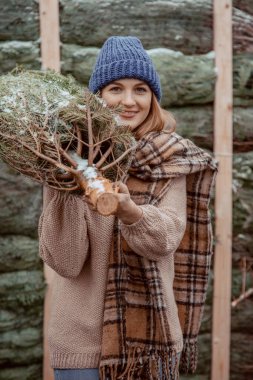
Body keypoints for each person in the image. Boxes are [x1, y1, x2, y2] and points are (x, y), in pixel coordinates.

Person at [39, 36, 217, 380]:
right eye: (115, 88)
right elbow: (65, 261)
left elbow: (164, 241)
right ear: (98, 97)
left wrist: (129, 212)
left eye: (141, 90)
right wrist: (69, 183)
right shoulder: (66, 158)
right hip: (81, 343)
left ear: (153, 98)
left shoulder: (168, 160)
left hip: (151, 341)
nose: (128, 101)